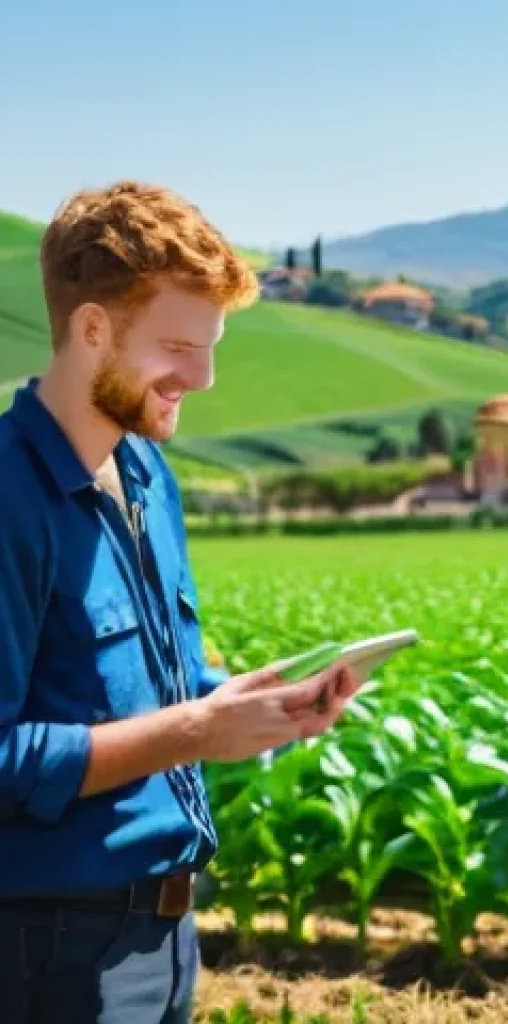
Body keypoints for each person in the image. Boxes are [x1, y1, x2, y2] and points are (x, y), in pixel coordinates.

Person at [0, 181, 359, 1023]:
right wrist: (196, 732)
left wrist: (244, 705)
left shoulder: (147, 477)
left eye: (211, 347)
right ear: (92, 330)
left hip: (167, 942)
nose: (201, 378)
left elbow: (147, 696)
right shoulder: (7, 498)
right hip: (46, 955)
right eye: (177, 347)